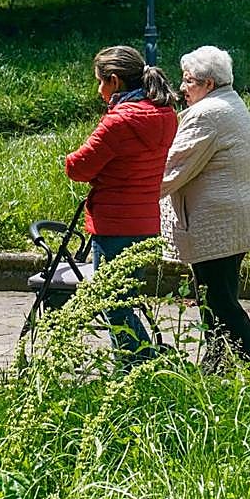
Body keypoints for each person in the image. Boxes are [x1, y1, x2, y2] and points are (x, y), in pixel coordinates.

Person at [159, 45, 250, 376]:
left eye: (187, 81)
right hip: (232, 221)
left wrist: (134, 190)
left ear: (207, 83)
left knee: (220, 302)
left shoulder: (207, 114)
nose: (181, 88)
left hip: (217, 224)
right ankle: (215, 368)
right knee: (213, 299)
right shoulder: (231, 102)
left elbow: (172, 169)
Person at [64, 45, 179, 361]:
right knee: (125, 298)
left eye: (100, 82)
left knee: (111, 301)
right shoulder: (167, 115)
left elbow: (79, 167)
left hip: (114, 225)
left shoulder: (117, 122)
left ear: (114, 81)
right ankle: (141, 363)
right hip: (146, 222)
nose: (99, 90)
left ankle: (141, 364)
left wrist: (69, 158)